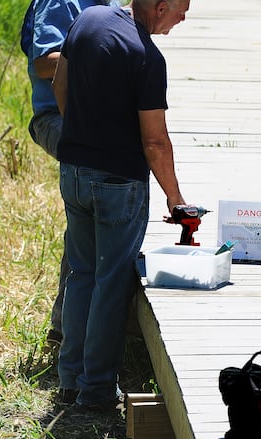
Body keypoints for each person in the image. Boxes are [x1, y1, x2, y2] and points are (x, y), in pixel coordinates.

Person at [51, 0, 190, 409]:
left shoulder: (88, 18)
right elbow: (154, 141)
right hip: (117, 183)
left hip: (73, 171)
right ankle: (95, 390)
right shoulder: (148, 57)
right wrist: (175, 197)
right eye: (182, 9)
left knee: (81, 275)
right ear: (161, 6)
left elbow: (60, 80)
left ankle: (69, 380)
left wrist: (80, 136)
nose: (184, 18)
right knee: (111, 284)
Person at [25, 0, 117, 351]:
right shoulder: (62, 1)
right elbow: (44, 63)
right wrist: (104, 53)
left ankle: (79, 326)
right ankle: (67, 331)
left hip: (89, 120)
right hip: (55, 119)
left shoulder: (105, 3)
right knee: (97, 203)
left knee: (92, 220)